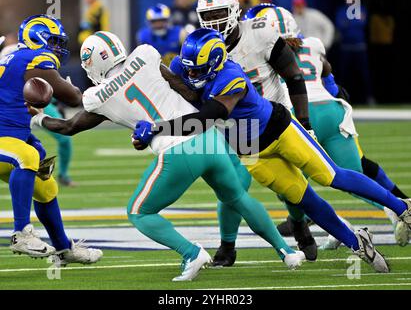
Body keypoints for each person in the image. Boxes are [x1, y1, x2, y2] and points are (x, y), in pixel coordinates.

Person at [31, 31, 306, 281]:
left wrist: (37, 118)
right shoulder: (145, 55)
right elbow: (184, 89)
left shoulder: (97, 96)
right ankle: (287, 251)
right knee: (238, 197)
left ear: (92, 63)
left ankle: (191, 253)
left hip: (176, 149)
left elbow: (68, 127)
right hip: (207, 136)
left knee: (139, 212)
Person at [140, 28, 411, 273]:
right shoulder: (187, 66)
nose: (190, 75)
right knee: (305, 199)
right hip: (249, 150)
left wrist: (157, 128)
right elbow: (185, 88)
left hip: (279, 130)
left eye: (197, 71)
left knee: (331, 177)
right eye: (188, 69)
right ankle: (357, 243)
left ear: (215, 64)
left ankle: (403, 207)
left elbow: (206, 117)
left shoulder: (231, 77)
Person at [244, 4, 410, 247]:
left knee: (293, 187)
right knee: (350, 176)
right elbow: (329, 80)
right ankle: (398, 207)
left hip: (295, 113)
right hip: (333, 111)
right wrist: (335, 90)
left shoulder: (259, 53)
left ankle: (331, 225)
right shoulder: (314, 44)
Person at [196, 0, 316, 263]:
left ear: (235, 11)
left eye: (218, 14)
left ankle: (298, 223)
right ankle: (228, 247)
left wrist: (305, 123)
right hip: (237, 127)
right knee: (232, 186)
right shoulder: (201, 44)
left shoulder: (260, 32)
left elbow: (294, 76)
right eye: (207, 16)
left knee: (295, 184)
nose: (213, 22)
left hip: (274, 117)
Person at [0, 14, 102, 264]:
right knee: (28, 156)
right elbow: (73, 97)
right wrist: (74, 87)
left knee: (46, 187)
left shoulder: (14, 58)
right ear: (37, 38)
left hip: (7, 138)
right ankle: (22, 233)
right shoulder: (34, 58)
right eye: (54, 41)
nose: (58, 48)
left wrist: (28, 136)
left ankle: (63, 249)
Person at [0, 34, 75, 187]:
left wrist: (54, 100)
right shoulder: (12, 56)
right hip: (12, 103)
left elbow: (39, 85)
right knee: (29, 147)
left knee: (53, 143)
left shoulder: (28, 55)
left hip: (34, 100)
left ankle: (62, 174)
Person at [335, 0, 374, 105]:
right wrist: (353, 21)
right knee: (343, 75)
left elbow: (362, 23)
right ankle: (340, 98)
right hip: (346, 47)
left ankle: (369, 97)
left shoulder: (361, 9)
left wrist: (349, 22)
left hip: (359, 47)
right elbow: (340, 25)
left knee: (364, 75)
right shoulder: (341, 10)